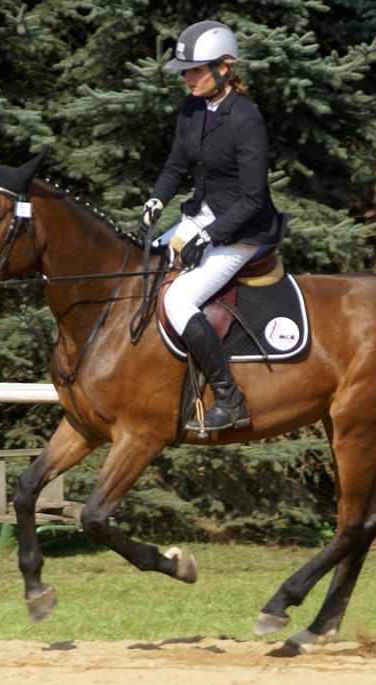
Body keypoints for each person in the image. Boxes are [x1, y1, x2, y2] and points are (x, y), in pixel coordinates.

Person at [139, 20, 286, 433]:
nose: (188, 78)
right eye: (185, 71)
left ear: (224, 68)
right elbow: (175, 165)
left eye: (196, 70)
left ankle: (229, 397)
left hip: (243, 229)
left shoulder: (247, 119)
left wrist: (208, 237)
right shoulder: (191, 108)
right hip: (202, 215)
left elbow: (252, 198)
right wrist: (156, 200)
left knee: (180, 300)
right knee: (145, 267)